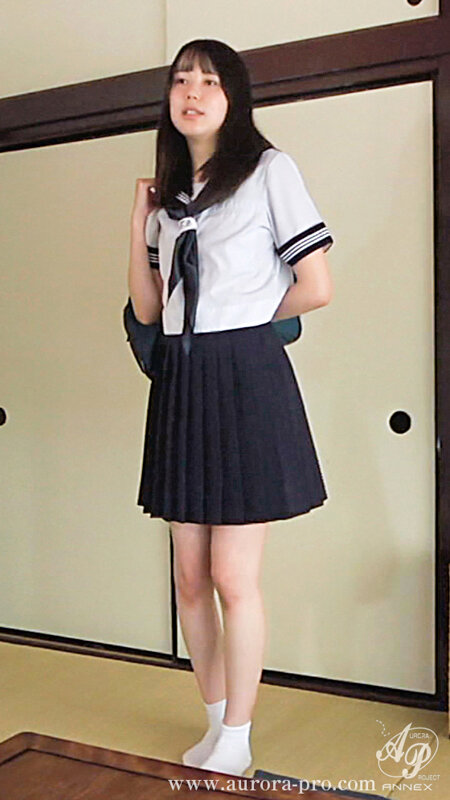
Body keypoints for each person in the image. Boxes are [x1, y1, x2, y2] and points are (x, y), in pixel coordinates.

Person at [127, 38, 334, 777]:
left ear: (234, 97)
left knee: (232, 577)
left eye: (209, 81)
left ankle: (240, 735)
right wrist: (137, 220)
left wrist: (241, 325)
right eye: (181, 80)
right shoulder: (170, 202)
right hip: (183, 383)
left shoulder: (270, 171)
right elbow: (149, 309)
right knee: (188, 576)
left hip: (245, 379)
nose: (192, 92)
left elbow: (316, 285)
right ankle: (216, 722)